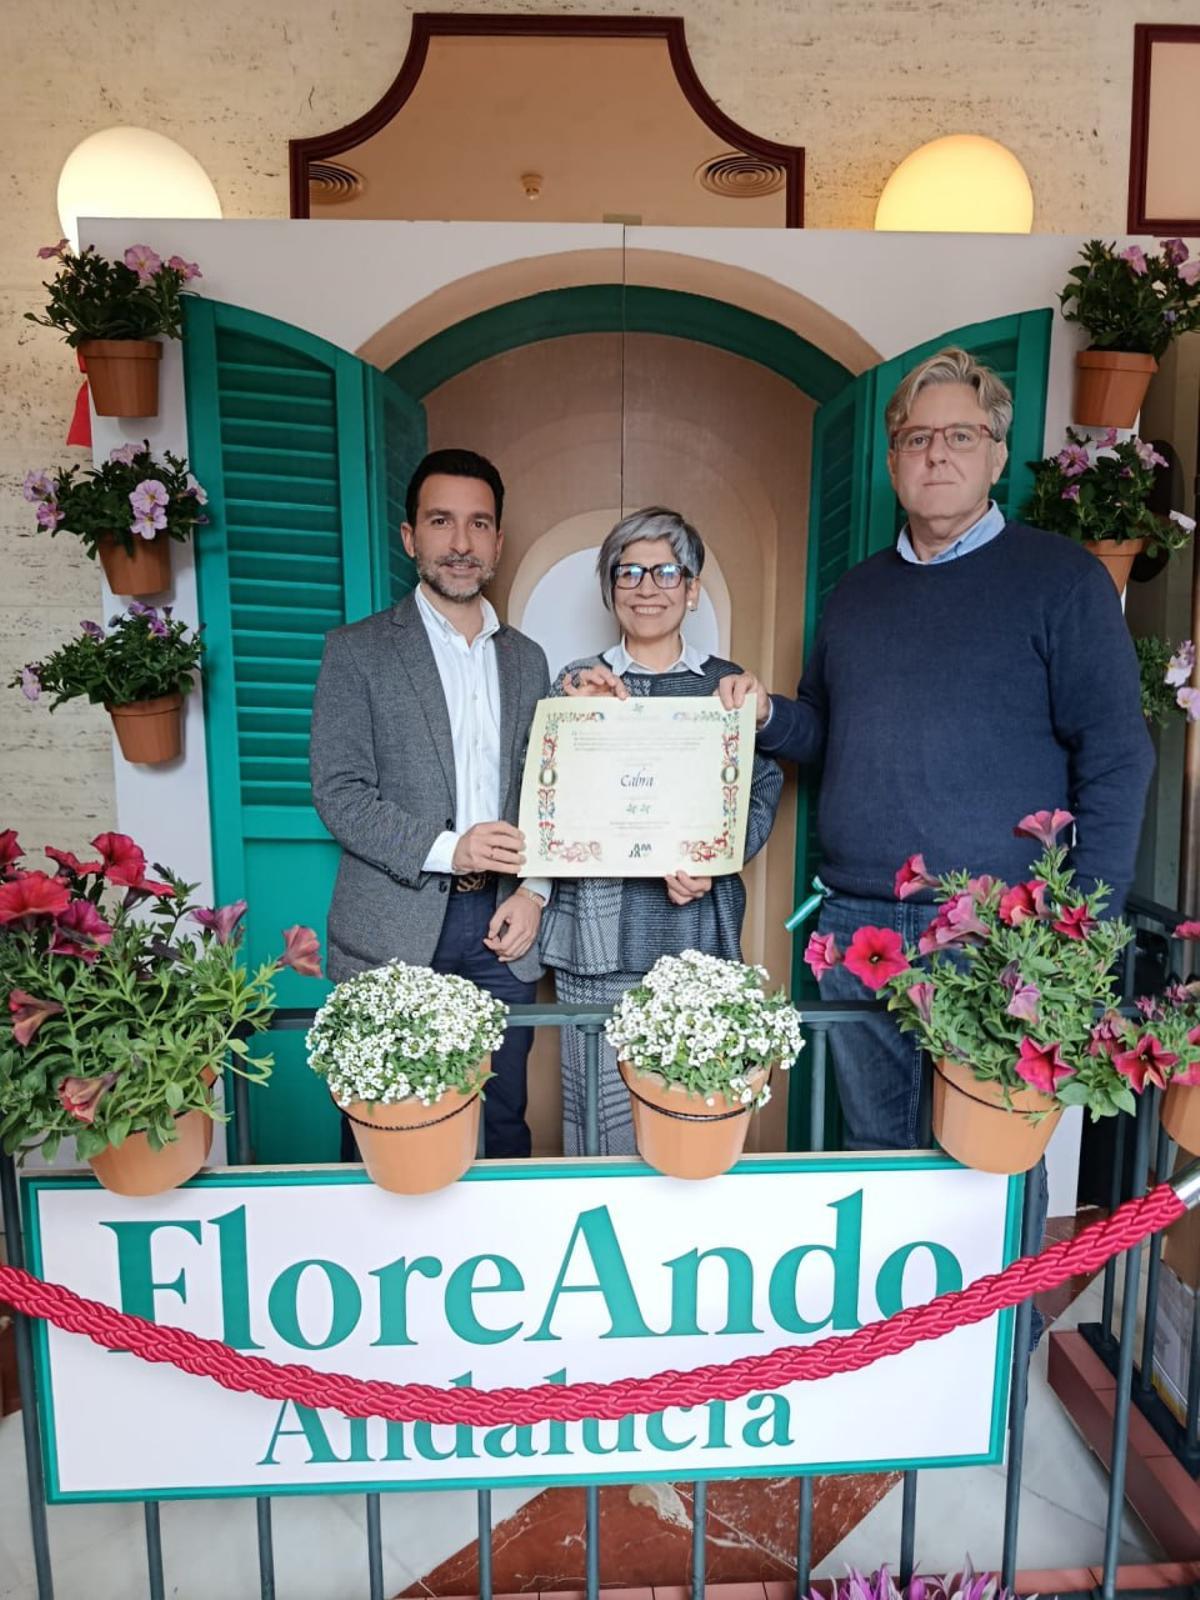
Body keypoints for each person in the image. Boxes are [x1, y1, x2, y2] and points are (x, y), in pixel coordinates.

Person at [718, 347, 1153, 1216]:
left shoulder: (1062, 582)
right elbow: (830, 730)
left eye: (961, 434)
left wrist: (1087, 931)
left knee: (991, 1163)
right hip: (858, 924)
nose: (938, 454)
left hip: (1005, 927)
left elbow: (1117, 755)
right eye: (917, 439)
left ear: (996, 454)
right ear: (892, 463)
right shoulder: (855, 596)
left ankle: (995, 1338)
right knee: (878, 1161)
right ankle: (900, 1347)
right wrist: (764, 714)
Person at [310, 447, 551, 1158]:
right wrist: (454, 848)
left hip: (503, 926)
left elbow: (548, 792)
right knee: (389, 1129)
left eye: (479, 525)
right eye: (441, 521)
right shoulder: (356, 652)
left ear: (498, 542)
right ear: (411, 536)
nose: (461, 542)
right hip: (393, 924)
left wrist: (534, 890)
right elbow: (338, 793)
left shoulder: (528, 659)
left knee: (502, 1122)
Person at [545, 506, 783, 1154]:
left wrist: (721, 858)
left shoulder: (724, 686)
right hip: (599, 933)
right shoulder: (576, 682)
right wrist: (574, 717)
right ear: (609, 588)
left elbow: (763, 787)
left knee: (690, 1116)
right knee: (600, 1123)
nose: (647, 587)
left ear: (692, 587)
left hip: (694, 927)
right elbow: (542, 793)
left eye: (665, 571)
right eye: (628, 572)